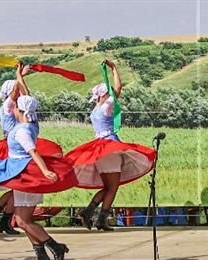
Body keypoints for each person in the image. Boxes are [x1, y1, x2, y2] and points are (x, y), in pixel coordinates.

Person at [0, 64, 77, 260]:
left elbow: (33, 152)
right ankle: (41, 255)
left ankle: (55, 247)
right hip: (21, 170)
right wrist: (19, 75)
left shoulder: (22, 130)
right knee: (21, 218)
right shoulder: (32, 122)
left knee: (22, 220)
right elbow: (26, 98)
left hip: (26, 171)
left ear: (19, 109)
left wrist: (45, 170)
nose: (14, 105)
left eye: (17, 105)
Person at [0, 77, 63, 234]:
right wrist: (19, 76)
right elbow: (18, 93)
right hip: (14, 150)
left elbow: (26, 96)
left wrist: (21, 77)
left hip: (20, 148)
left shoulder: (25, 114)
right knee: (18, 187)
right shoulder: (8, 107)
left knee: (19, 188)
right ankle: (0, 217)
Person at [65, 60, 156, 231]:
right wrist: (114, 68)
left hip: (99, 149)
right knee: (113, 187)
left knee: (107, 187)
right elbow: (118, 89)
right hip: (110, 148)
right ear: (105, 94)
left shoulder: (95, 110)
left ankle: (90, 211)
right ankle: (99, 218)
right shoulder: (106, 107)